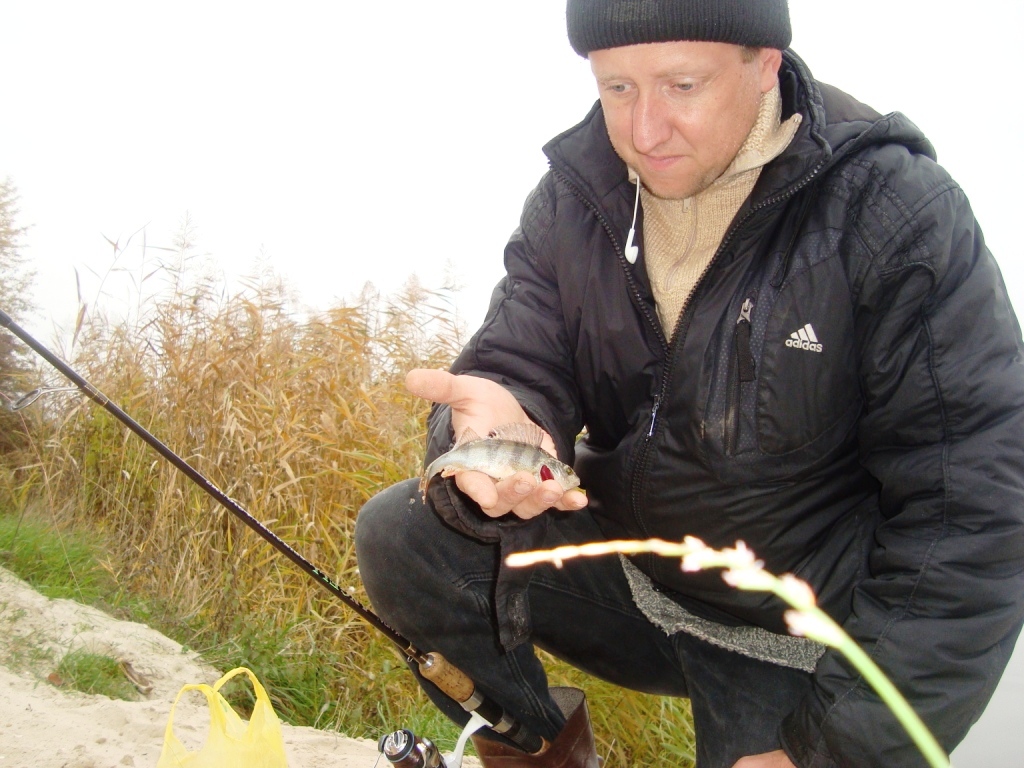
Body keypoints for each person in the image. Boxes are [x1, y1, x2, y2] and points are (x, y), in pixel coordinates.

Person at [355, 1, 1024, 765]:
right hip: (633, 572)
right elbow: (519, 358)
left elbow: (973, 516)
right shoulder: (576, 197)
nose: (645, 132)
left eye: (682, 85)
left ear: (764, 63)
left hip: (792, 630)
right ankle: (538, 746)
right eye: (617, 88)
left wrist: (833, 752)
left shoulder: (894, 212)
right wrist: (498, 421)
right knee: (408, 535)